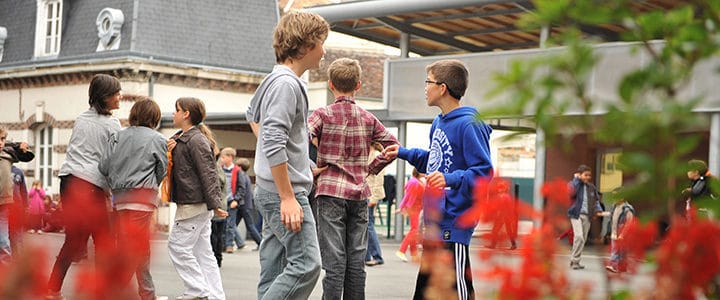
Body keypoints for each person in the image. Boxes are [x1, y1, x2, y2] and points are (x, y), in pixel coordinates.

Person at [384, 59, 493, 300]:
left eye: (428, 82)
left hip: (454, 223)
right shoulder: (438, 122)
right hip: (435, 223)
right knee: (426, 293)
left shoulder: (468, 124)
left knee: (458, 291)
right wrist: (402, 152)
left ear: (442, 88)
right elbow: (435, 162)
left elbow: (484, 171)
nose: (425, 88)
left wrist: (449, 178)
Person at [245, 10, 328, 300]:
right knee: (307, 265)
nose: (324, 51)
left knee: (274, 270)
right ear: (305, 46)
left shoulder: (274, 79)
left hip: (272, 188)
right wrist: (288, 196)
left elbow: (254, 117)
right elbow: (272, 137)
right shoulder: (286, 84)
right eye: (321, 43)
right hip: (284, 193)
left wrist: (297, 161)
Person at [308, 57, 399, 299]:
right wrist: (372, 167)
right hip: (359, 192)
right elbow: (394, 145)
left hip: (329, 192)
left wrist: (310, 167)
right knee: (356, 263)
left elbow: (299, 138)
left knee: (334, 262)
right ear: (358, 85)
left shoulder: (322, 114)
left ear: (330, 85)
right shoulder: (368, 118)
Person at [47, 74, 122, 299]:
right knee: (103, 240)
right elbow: (113, 159)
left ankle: (52, 288)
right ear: (104, 97)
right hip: (91, 184)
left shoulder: (80, 118)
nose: (120, 96)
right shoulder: (112, 124)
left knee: (74, 240)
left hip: (69, 180)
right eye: (116, 93)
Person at [98, 97, 167, 299]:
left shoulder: (117, 137)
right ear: (154, 117)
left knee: (128, 246)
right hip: (143, 199)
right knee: (137, 249)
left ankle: (145, 293)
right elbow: (162, 170)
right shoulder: (158, 139)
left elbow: (103, 167)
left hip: (120, 200)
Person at [167, 97, 228, 300]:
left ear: (186, 114)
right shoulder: (183, 138)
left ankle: (197, 290)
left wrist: (215, 204)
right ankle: (215, 296)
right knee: (204, 253)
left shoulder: (195, 140)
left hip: (194, 204)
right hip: (196, 203)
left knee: (177, 246)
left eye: (176, 110)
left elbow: (208, 174)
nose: (173, 113)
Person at [567, 164, 604, 270]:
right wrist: (576, 180)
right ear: (579, 175)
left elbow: (596, 201)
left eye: (589, 175)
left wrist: (598, 211)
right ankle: (575, 260)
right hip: (576, 214)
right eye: (585, 175)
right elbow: (571, 193)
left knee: (582, 239)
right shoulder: (573, 184)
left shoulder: (591, 187)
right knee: (579, 237)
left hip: (587, 216)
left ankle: (575, 261)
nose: (588, 177)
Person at [219, 147, 246, 253]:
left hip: (232, 201)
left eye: (223, 157)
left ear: (230, 157)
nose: (221, 159)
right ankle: (221, 245)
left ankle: (229, 245)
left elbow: (241, 187)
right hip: (222, 202)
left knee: (230, 225)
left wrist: (236, 200)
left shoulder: (237, 171)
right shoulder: (220, 169)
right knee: (221, 224)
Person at [395, 169, 425, 262]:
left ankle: (414, 253)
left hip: (416, 208)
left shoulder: (416, 181)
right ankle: (402, 250)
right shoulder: (414, 182)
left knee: (414, 230)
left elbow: (407, 196)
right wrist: (403, 207)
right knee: (414, 230)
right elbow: (408, 196)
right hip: (414, 208)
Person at [602, 188, 634, 273]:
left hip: (622, 233)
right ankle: (616, 266)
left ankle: (617, 266)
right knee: (616, 250)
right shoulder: (615, 206)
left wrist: (623, 234)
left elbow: (629, 223)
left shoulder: (627, 209)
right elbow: (612, 215)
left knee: (621, 251)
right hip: (614, 233)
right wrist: (601, 213)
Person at [366, 142, 387, 266]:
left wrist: (374, 198)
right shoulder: (368, 155)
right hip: (365, 195)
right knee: (365, 227)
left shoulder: (377, 156)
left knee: (369, 226)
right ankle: (367, 256)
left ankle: (377, 256)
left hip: (371, 196)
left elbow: (379, 180)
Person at [235, 157, 262, 251]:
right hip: (246, 204)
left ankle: (260, 242)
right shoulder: (246, 175)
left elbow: (242, 190)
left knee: (249, 226)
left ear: (240, 167)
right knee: (233, 225)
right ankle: (239, 242)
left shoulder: (241, 175)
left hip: (243, 205)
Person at [487, 178, 518, 250]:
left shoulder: (502, 196)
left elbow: (499, 207)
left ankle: (493, 244)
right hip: (507, 216)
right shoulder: (507, 196)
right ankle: (513, 244)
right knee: (509, 231)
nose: (498, 189)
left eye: (500, 188)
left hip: (502, 216)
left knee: (495, 230)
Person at [211, 159, 228, 267]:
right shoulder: (220, 169)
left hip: (217, 206)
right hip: (222, 204)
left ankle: (216, 258)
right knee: (218, 234)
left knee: (214, 234)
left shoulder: (215, 169)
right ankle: (218, 257)